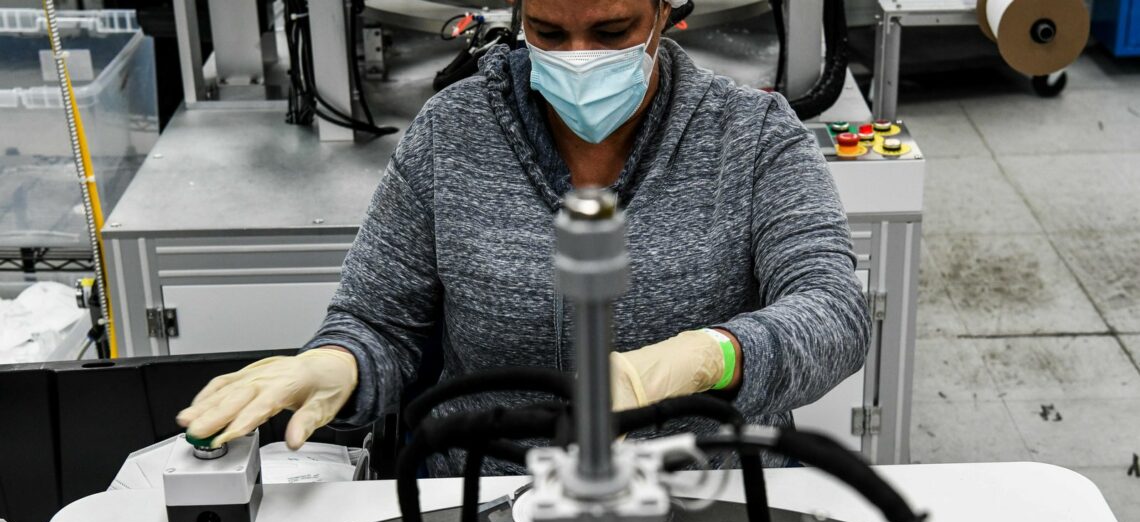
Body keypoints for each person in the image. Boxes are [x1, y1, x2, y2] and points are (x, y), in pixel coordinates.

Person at [176, 0, 871, 474]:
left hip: (701, 496)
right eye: (548, 29)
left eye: (611, 31)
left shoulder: (751, 136)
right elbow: (379, 321)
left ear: (666, 12)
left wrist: (702, 359)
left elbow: (834, 311)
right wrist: (338, 362)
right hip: (482, 497)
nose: (578, 58)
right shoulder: (454, 133)